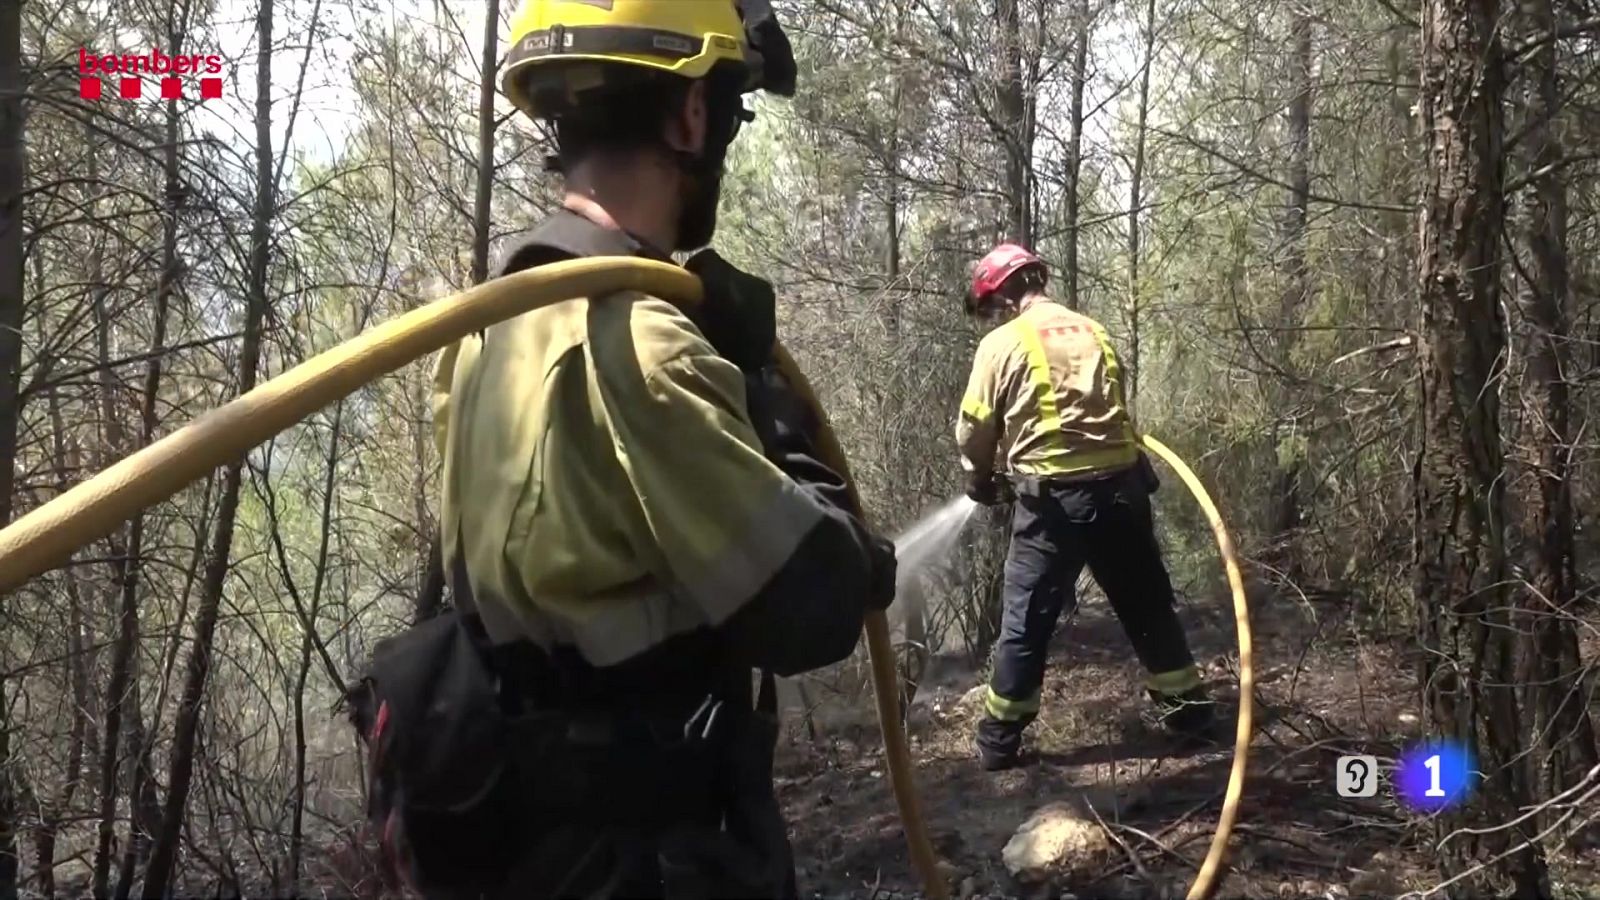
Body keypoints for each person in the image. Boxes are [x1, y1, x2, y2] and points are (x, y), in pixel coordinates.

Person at [353, 1, 898, 897]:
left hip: (534, 838)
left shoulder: (493, 323)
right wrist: (767, 400)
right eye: (729, 112)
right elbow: (813, 609)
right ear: (691, 116)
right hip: (645, 854)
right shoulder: (644, 346)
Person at [955, 242, 1216, 772]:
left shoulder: (1003, 343)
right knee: (1146, 604)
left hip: (1054, 504)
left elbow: (975, 427)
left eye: (990, 307)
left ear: (1004, 294)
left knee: (1026, 619)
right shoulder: (1094, 329)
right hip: (1122, 491)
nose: (992, 318)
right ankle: (1190, 716)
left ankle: (999, 742)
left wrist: (979, 477)